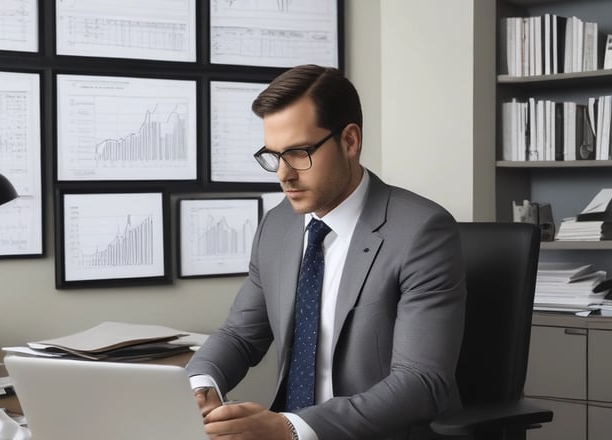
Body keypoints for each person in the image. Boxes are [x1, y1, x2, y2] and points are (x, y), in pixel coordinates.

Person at [185, 64, 467, 440]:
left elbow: (421, 382)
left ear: (350, 141)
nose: (283, 174)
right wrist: (199, 386)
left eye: (299, 153)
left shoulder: (421, 232)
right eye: (273, 156)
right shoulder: (278, 226)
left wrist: (292, 428)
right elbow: (240, 335)